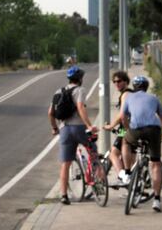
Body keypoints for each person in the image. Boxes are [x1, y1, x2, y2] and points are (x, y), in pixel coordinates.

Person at [48, 66, 99, 205]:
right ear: (80, 79)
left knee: (65, 164)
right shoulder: (80, 90)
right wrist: (89, 126)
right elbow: (81, 107)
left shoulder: (58, 91)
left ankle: (64, 195)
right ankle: (98, 184)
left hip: (64, 129)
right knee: (93, 150)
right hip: (79, 128)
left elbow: (50, 113)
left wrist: (54, 128)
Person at [120, 75, 162, 212]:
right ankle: (157, 200)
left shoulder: (129, 97)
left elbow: (122, 117)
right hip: (153, 130)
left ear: (135, 87)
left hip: (135, 130)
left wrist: (127, 130)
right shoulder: (154, 98)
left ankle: (127, 172)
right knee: (155, 163)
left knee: (125, 141)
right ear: (146, 87)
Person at [103, 71, 133, 184]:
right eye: (114, 81)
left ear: (126, 81)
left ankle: (123, 176)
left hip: (125, 127)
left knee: (113, 154)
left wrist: (111, 126)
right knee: (130, 155)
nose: (116, 83)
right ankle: (133, 183)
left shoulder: (125, 94)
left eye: (119, 81)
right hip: (132, 127)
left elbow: (122, 115)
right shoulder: (129, 93)